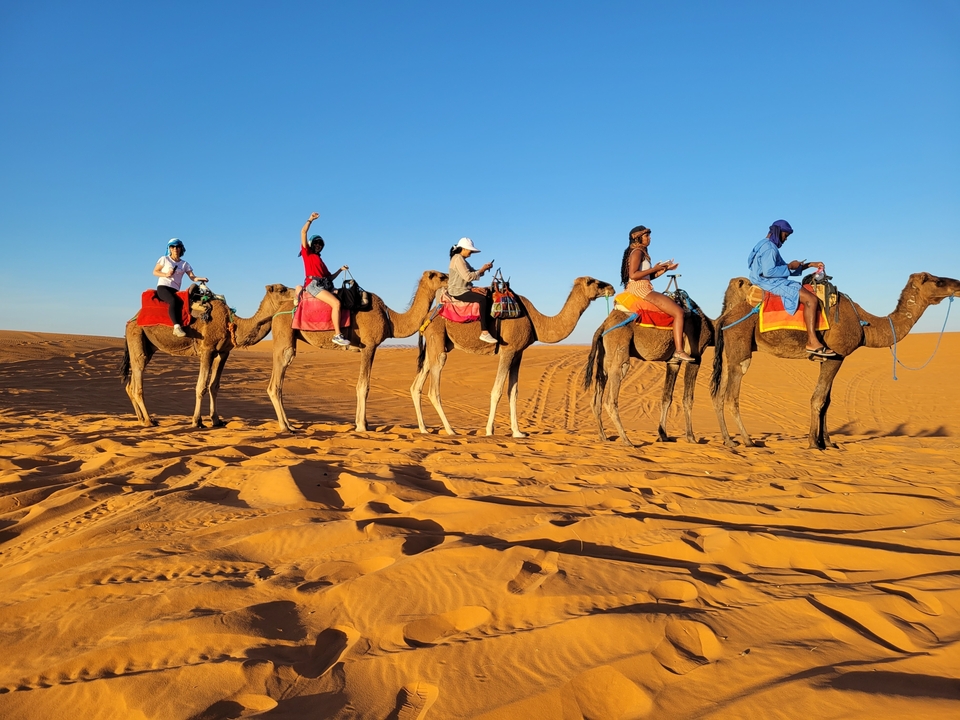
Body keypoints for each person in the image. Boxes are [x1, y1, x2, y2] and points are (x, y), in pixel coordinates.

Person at [747, 220, 836, 358]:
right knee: (811, 300)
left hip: (770, 280)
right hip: (769, 282)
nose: (785, 239)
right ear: (778, 231)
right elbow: (769, 271)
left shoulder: (763, 245)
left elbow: (784, 269)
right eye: (785, 235)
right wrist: (789, 266)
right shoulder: (769, 248)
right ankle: (812, 341)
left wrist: (809, 265)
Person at [620, 225, 694, 362]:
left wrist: (664, 269)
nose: (649, 238)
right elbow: (633, 274)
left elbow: (648, 276)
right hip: (640, 289)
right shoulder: (637, 252)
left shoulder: (642, 252)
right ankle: (679, 351)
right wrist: (654, 268)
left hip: (644, 285)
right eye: (646, 235)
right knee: (678, 312)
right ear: (637, 237)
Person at [298, 212, 351, 347]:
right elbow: (303, 232)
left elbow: (329, 277)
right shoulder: (307, 253)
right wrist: (310, 219)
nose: (318, 245)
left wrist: (340, 269)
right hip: (313, 285)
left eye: (320, 244)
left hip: (324, 285)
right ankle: (337, 335)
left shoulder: (320, 261)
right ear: (311, 244)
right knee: (336, 304)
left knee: (345, 295)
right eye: (316, 243)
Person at [153, 238, 208, 338]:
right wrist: (166, 274)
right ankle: (176, 327)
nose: (175, 249)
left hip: (175, 290)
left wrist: (201, 278)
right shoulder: (164, 259)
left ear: (181, 249)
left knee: (186, 303)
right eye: (172, 246)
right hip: (163, 287)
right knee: (173, 301)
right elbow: (155, 272)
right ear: (169, 248)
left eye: (177, 246)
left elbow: (192, 277)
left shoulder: (184, 264)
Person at [448, 237, 497, 343]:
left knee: (488, 294)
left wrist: (484, 268)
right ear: (464, 249)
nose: (471, 253)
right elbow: (469, 277)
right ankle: (484, 332)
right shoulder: (458, 259)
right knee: (482, 300)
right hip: (458, 291)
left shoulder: (462, 260)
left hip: (465, 288)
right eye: (470, 250)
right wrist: (482, 270)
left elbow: (473, 272)